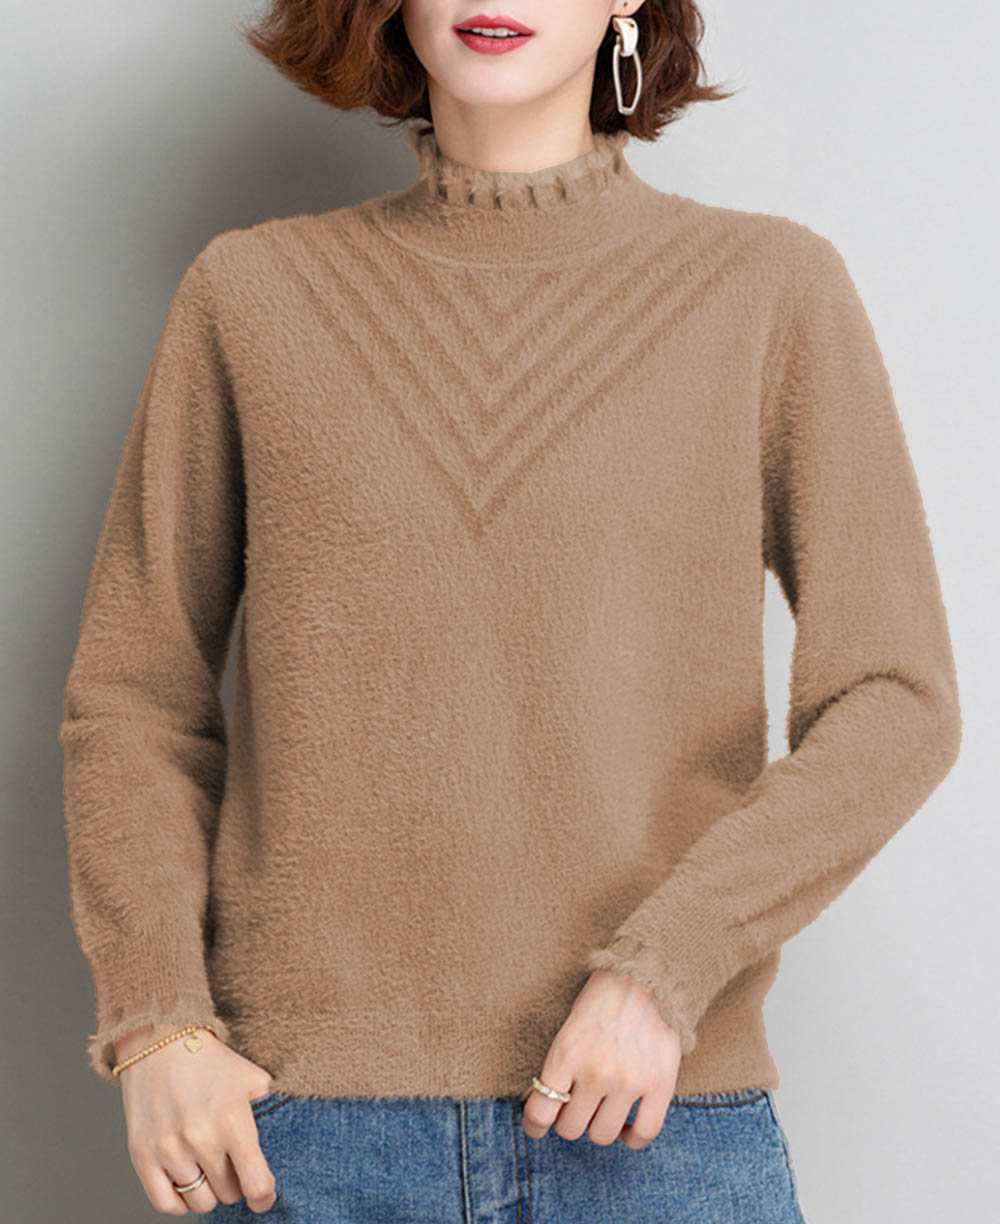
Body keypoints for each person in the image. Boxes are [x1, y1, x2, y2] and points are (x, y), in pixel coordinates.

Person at [57, 1, 962, 1221]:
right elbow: (134, 700)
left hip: (656, 1124)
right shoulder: (252, 295)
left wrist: (667, 967)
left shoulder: (765, 288)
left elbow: (895, 700)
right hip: (302, 1133)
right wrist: (155, 1022)